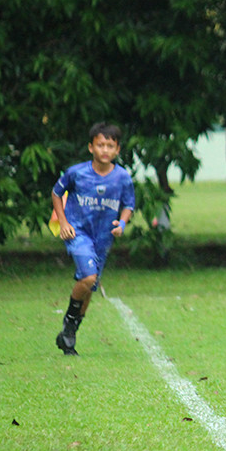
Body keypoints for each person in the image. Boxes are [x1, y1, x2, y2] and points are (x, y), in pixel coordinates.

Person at [51, 123, 135, 355]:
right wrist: (64, 222)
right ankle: (69, 323)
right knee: (88, 278)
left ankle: (69, 336)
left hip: (103, 237)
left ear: (117, 150)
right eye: (100, 145)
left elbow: (128, 204)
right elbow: (57, 193)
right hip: (78, 232)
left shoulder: (122, 178)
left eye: (110, 146)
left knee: (91, 286)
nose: (105, 150)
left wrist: (123, 223)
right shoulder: (77, 173)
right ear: (91, 147)